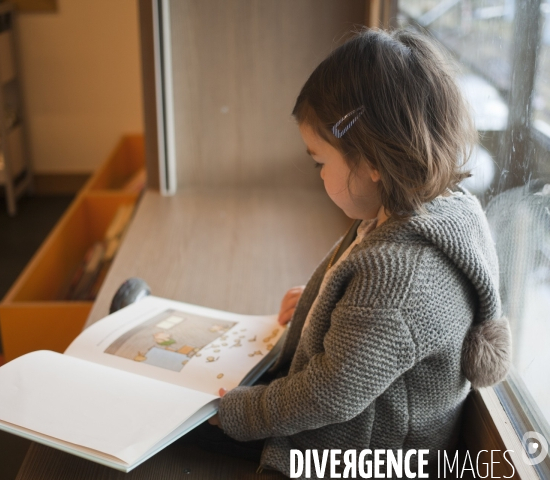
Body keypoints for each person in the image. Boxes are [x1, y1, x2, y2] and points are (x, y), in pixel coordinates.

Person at [193, 28, 512, 478]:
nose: (317, 175)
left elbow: (328, 395)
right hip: (365, 427)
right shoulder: (432, 210)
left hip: (360, 456)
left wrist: (238, 414)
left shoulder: (398, 275)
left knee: (190, 417)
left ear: (374, 161)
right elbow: (383, 327)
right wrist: (324, 305)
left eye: (320, 162)